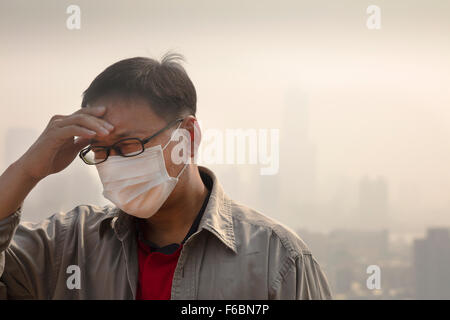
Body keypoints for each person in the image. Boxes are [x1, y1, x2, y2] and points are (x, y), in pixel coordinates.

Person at [0, 53, 331, 299]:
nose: (112, 164)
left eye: (128, 145)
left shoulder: (277, 259)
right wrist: (26, 171)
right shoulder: (67, 247)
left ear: (185, 136)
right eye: (99, 151)